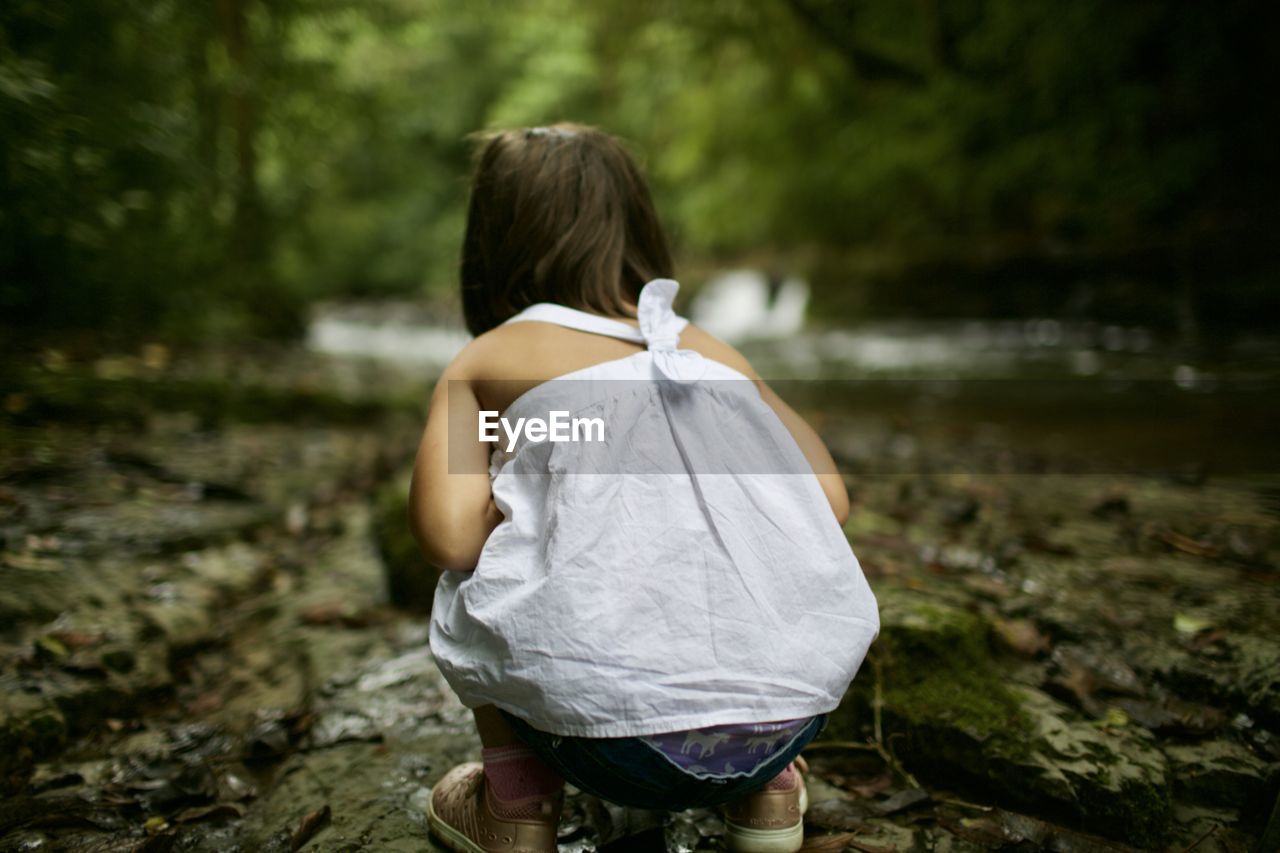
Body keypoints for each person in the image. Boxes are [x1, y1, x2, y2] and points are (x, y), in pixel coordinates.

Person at [410, 123, 879, 853]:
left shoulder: (489, 359)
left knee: (473, 573)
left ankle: (514, 804)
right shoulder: (710, 352)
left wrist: (536, 472)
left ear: (491, 244)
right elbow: (831, 501)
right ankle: (767, 797)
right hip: (787, 724)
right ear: (638, 229)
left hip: (602, 740)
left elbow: (449, 537)